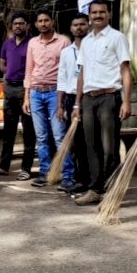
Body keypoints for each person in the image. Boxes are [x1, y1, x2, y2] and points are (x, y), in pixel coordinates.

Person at [72, 0, 133, 206]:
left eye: (101, 12)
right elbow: (81, 73)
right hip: (89, 99)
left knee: (110, 147)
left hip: (109, 97)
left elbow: (126, 71)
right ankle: (96, 189)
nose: (97, 16)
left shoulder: (118, 38)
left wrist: (126, 101)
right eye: (94, 12)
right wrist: (77, 104)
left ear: (109, 14)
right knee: (92, 147)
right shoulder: (86, 41)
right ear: (89, 15)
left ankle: (112, 190)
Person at [23, 9, 73, 190]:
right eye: (40, 21)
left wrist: (64, 98)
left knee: (59, 135)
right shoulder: (32, 43)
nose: (43, 24)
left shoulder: (64, 41)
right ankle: (45, 173)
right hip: (36, 93)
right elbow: (29, 69)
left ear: (52, 22)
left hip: (55, 93)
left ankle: (68, 175)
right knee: (41, 136)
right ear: (36, 24)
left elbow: (68, 69)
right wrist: (26, 97)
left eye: (46, 20)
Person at [0, 12, 37, 180]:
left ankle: (26, 168)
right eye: (15, 24)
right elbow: (2, 63)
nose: (18, 26)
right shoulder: (8, 43)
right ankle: (3, 166)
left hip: (26, 89)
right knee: (9, 130)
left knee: (29, 130)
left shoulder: (33, 42)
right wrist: (10, 75)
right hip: (10, 89)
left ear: (28, 25)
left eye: (21, 23)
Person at [56, 13, 91, 193]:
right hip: (70, 99)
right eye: (75, 25)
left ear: (88, 25)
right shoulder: (66, 52)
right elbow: (62, 79)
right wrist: (60, 105)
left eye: (82, 24)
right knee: (75, 142)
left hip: (90, 98)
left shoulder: (94, 47)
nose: (79, 28)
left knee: (91, 140)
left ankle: (93, 179)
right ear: (71, 28)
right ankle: (79, 178)